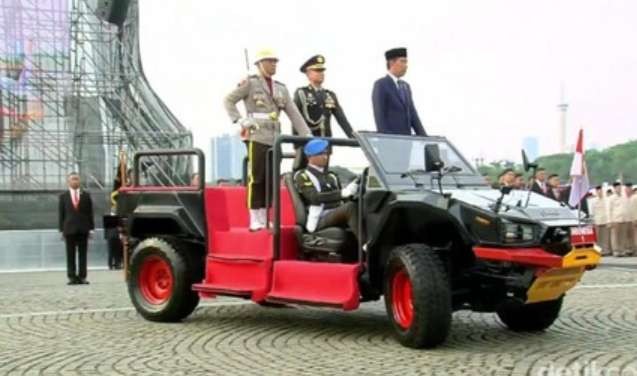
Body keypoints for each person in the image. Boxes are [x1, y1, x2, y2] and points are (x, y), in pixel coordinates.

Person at [224, 48, 311, 231]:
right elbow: (229, 100)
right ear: (260, 64)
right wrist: (240, 120)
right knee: (257, 177)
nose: (274, 64)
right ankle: (255, 216)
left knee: (271, 179)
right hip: (257, 134)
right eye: (270, 61)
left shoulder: (281, 88)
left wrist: (307, 134)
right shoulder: (250, 83)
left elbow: (293, 113)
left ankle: (265, 215)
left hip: (274, 136)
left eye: (275, 61)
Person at [294, 138, 360, 240]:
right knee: (349, 208)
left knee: (362, 206)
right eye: (320, 154)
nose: (325, 157)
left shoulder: (331, 176)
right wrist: (341, 193)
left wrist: (354, 193)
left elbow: (344, 198)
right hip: (319, 218)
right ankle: (367, 247)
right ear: (310, 156)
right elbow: (314, 197)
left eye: (326, 153)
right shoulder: (303, 175)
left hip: (335, 213)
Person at [294, 55, 354, 139]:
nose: (321, 73)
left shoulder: (330, 95)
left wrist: (354, 138)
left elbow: (342, 119)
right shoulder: (302, 93)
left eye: (322, 70)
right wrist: (297, 144)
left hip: (326, 142)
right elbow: (295, 118)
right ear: (308, 74)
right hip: (307, 144)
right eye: (317, 70)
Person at [372, 47, 426, 136]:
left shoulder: (406, 87)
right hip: (391, 142)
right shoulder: (381, 84)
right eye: (402, 61)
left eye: (406, 62)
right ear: (392, 62)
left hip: (407, 142)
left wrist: (425, 138)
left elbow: (413, 115)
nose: (406, 65)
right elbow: (379, 116)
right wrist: (387, 139)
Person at [59, 172, 94, 285]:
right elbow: (61, 214)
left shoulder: (86, 195)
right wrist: (61, 230)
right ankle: (72, 277)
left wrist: (91, 229)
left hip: (83, 229)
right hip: (69, 229)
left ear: (80, 181)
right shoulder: (63, 197)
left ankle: (82, 276)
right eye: (73, 179)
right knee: (70, 254)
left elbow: (90, 213)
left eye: (77, 179)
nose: (75, 181)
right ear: (68, 182)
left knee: (83, 254)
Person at [608, 182, 631, 257]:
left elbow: (626, 208)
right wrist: (610, 221)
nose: (619, 189)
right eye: (618, 188)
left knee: (623, 236)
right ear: (614, 188)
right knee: (615, 236)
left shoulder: (624, 197)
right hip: (615, 219)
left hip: (624, 219)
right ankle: (616, 251)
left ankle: (622, 250)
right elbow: (609, 210)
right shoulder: (611, 198)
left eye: (620, 187)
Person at [592, 185, 611, 256]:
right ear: (596, 192)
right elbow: (592, 212)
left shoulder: (606, 200)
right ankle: (598, 251)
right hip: (597, 221)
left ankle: (605, 251)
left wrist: (608, 220)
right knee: (597, 239)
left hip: (605, 220)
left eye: (601, 191)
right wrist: (593, 222)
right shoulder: (593, 201)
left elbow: (608, 211)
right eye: (598, 191)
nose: (600, 192)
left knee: (605, 237)